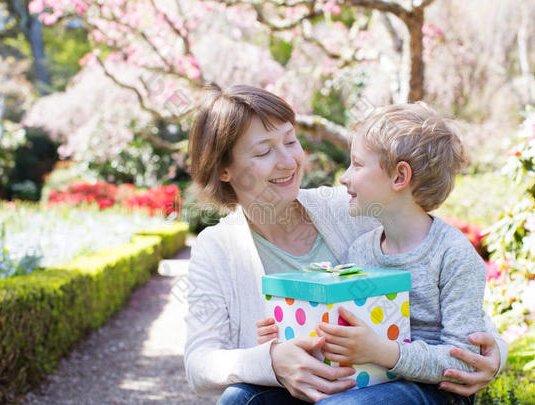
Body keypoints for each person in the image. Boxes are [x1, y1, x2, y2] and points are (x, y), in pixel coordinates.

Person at [184, 84, 507, 404]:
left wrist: (494, 355)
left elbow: (458, 313)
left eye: (291, 141)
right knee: (239, 399)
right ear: (224, 170)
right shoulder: (217, 248)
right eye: (264, 151)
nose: (288, 161)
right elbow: (199, 364)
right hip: (334, 385)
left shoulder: (354, 208)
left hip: (386, 383)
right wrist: (271, 356)